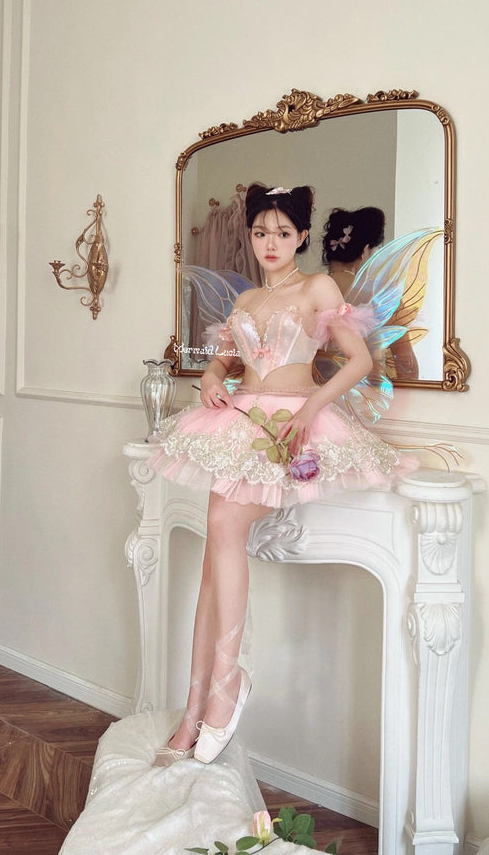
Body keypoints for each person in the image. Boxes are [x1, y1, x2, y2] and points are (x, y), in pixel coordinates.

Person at [147, 183, 411, 767]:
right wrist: (210, 379)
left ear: (302, 237)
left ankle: (226, 688)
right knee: (214, 558)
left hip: (293, 421)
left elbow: (360, 360)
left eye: (283, 233)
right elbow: (224, 361)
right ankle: (194, 711)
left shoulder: (318, 288)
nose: (270, 243)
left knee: (222, 528)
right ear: (250, 235)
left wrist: (313, 409)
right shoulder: (245, 300)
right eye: (261, 232)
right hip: (240, 419)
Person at [323, 207, 420, 380]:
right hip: (366, 392)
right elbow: (407, 366)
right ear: (365, 251)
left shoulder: (308, 290)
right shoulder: (381, 296)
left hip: (316, 391)